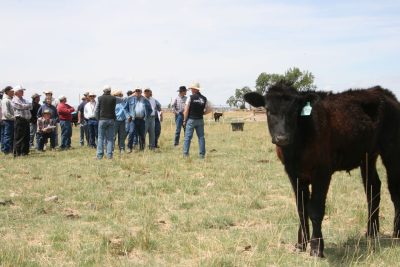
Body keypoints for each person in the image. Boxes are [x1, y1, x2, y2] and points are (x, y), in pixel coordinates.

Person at [183, 82, 212, 158]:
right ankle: (202, 155)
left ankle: (186, 154)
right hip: (200, 120)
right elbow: (210, 109)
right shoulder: (204, 98)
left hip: (191, 120)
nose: (191, 90)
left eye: (192, 89)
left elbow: (186, 110)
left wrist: (184, 120)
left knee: (187, 137)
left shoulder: (190, 97)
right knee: (201, 137)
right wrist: (203, 113)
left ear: (195, 89)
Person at [95, 86, 119, 159]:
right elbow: (123, 99)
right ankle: (109, 155)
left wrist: (98, 119)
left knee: (100, 138)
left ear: (103, 91)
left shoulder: (99, 98)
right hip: (111, 120)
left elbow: (96, 110)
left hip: (102, 120)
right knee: (110, 139)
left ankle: (99, 156)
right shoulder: (114, 98)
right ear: (110, 91)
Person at [12, 85, 33, 157]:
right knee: (19, 137)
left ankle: (24, 152)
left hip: (26, 120)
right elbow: (21, 106)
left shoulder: (23, 100)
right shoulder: (14, 100)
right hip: (19, 120)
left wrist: (26, 105)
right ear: (16, 92)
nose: (23, 92)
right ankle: (18, 153)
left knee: (26, 137)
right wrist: (27, 105)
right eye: (21, 91)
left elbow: (31, 106)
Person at [1, 86, 14, 154]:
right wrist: (14, 118)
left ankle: (7, 149)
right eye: (12, 91)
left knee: (8, 135)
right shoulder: (6, 100)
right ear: (8, 91)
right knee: (8, 136)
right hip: (8, 120)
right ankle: (7, 150)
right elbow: (6, 113)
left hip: (9, 120)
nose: (13, 92)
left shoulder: (9, 99)